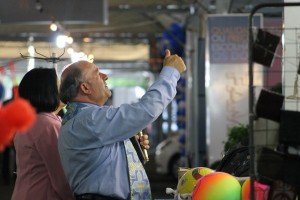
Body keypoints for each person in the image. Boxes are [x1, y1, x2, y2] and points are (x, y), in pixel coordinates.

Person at [58, 49, 186, 200]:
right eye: (97, 73)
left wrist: (129, 146)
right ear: (85, 88)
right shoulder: (89, 119)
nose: (105, 76)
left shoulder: (80, 120)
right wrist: (170, 73)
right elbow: (146, 110)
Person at [11, 68, 74, 200]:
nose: (63, 90)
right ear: (47, 91)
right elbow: (61, 177)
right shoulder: (48, 125)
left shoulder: (31, 121)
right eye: (59, 85)